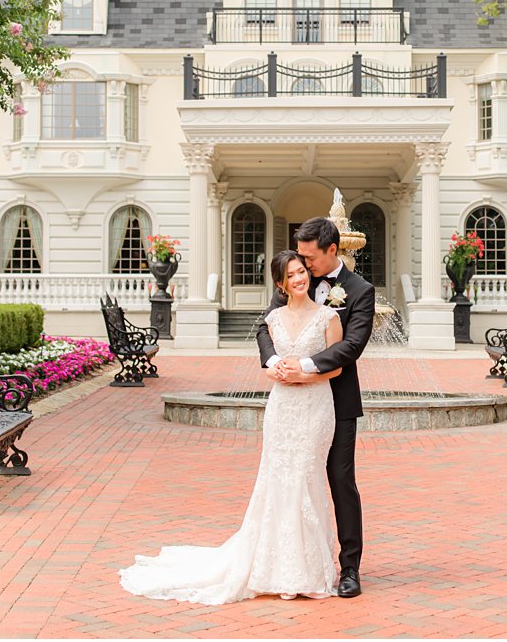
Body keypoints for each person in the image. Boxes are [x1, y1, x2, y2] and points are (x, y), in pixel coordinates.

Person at [119, 250, 345, 603]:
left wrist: (304, 373)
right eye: (292, 274)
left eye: (303, 271)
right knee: (277, 480)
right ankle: (276, 569)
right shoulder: (272, 319)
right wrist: (277, 372)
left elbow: (337, 368)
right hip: (282, 407)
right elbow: (268, 368)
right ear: (281, 284)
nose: (300, 278)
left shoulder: (329, 317)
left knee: (307, 478)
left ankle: (309, 571)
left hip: (316, 407)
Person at [257, 216, 376, 599]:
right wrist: (274, 361)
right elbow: (267, 325)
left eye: (310, 258)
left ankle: (350, 568)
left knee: (341, 482)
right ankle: (295, 561)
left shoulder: (360, 290)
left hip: (335, 403)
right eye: (300, 259)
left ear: (331, 250)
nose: (304, 267)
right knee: (293, 479)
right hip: (292, 403)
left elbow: (353, 345)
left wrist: (306, 367)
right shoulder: (297, 278)